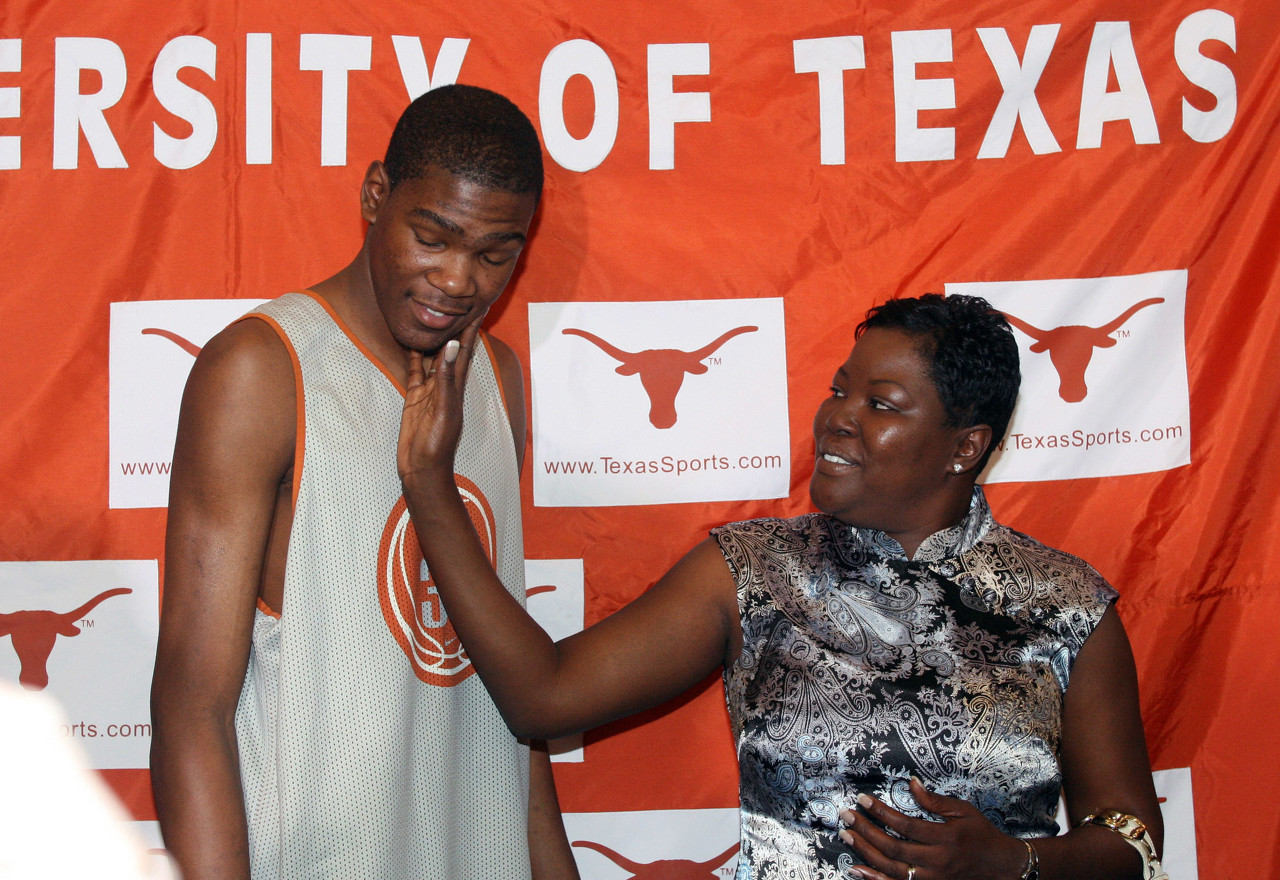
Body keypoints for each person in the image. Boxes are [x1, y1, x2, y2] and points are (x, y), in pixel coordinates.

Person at [397, 294, 1165, 880]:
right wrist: (430, 486)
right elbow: (545, 694)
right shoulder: (755, 570)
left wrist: (1013, 864)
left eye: (881, 404)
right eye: (840, 390)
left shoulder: (1065, 606)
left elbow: (1133, 839)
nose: (836, 417)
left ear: (965, 447)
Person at [150, 85, 578, 880]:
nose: (458, 280)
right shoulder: (264, 370)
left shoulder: (498, 382)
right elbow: (190, 705)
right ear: (375, 195)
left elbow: (511, 696)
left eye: (495, 254)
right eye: (432, 236)